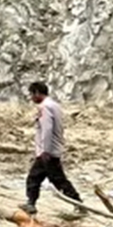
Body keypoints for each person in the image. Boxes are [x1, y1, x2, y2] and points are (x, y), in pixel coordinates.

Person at [24, 81, 80, 214]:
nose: (31, 98)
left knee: (51, 179)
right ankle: (31, 203)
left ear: (37, 93)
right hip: (53, 149)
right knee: (39, 178)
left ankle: (78, 203)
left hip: (47, 152)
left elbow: (47, 129)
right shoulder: (55, 105)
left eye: (31, 94)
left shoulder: (44, 107)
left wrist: (45, 150)